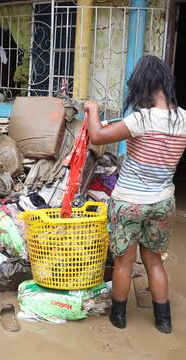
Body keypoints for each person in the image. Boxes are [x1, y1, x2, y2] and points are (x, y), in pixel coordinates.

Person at [84, 55, 186, 334]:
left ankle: (119, 318)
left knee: (123, 262)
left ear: (142, 85)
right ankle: (163, 321)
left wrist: (93, 108)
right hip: (163, 201)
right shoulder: (184, 119)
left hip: (129, 201)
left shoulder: (141, 119)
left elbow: (97, 136)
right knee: (154, 260)